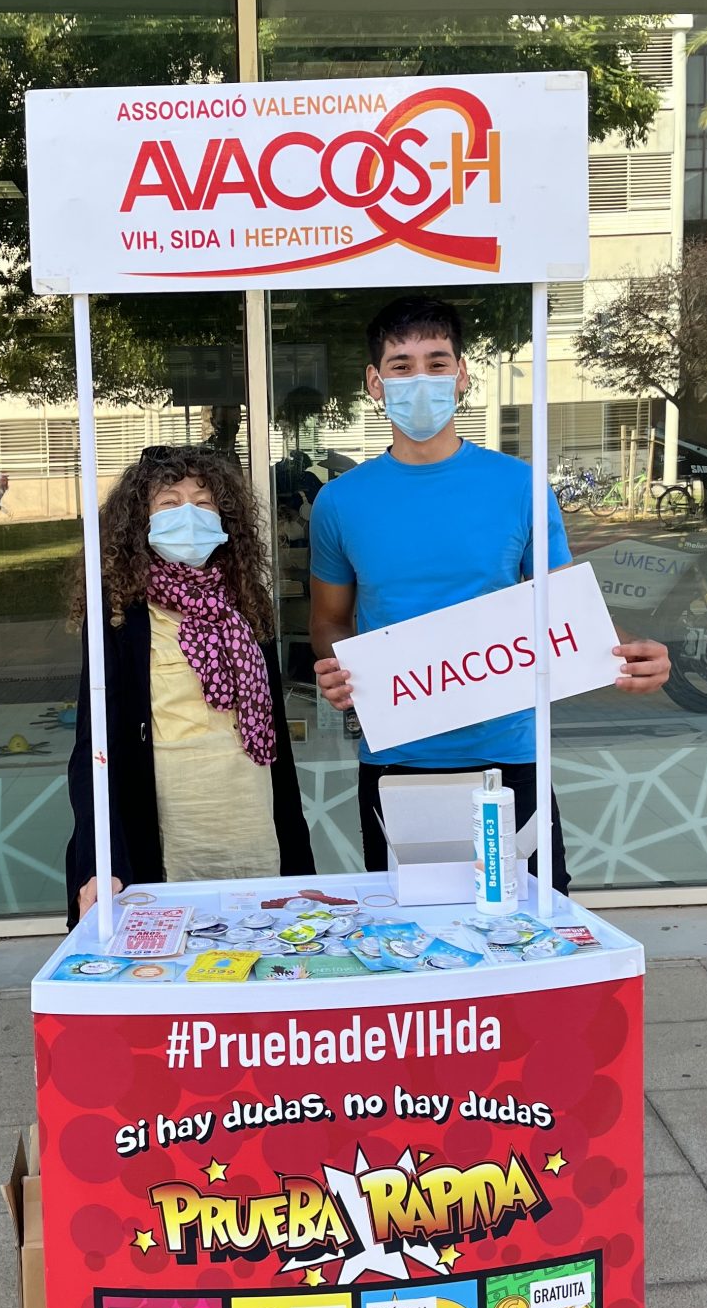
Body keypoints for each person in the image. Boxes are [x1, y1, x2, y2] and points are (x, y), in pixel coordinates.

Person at [308, 295, 671, 892]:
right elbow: (328, 619)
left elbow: (564, 608)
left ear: (462, 375)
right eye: (401, 366)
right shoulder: (340, 502)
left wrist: (632, 653)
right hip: (396, 755)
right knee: (409, 920)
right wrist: (338, 667)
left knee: (532, 918)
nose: (420, 379)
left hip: (510, 752)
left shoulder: (519, 486)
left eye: (436, 362)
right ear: (375, 382)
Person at [64, 444, 314, 922]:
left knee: (260, 932)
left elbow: (275, 733)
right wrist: (100, 860)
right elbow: (93, 745)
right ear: (140, 521)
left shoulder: (244, 604)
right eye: (169, 502)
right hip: (168, 819)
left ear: (225, 518)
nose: (189, 515)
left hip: (249, 811)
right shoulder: (119, 615)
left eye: (203, 502)